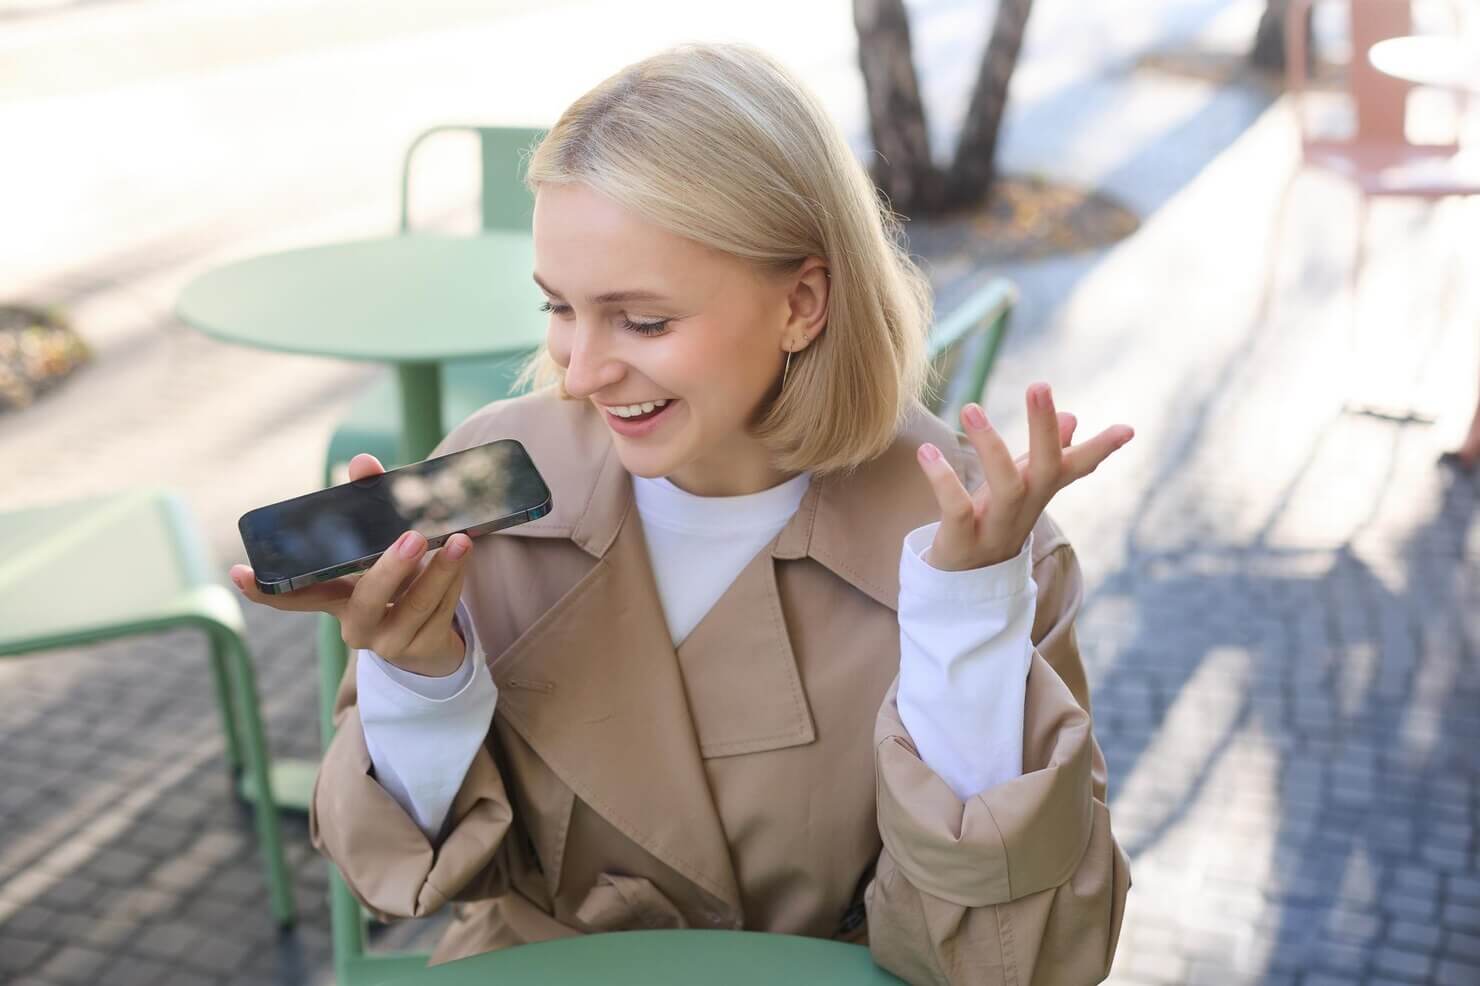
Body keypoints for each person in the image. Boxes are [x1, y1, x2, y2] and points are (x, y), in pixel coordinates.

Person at [232, 42, 1134, 985]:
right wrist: (419, 682)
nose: (579, 372)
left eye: (644, 321)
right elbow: (402, 875)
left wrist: (964, 628)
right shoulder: (494, 483)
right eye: (560, 309)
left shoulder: (987, 551)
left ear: (802, 303)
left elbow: (1019, 964)